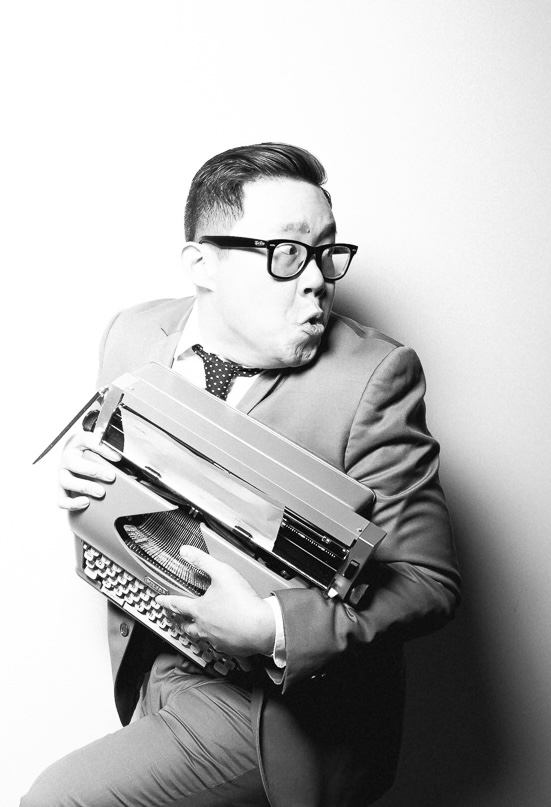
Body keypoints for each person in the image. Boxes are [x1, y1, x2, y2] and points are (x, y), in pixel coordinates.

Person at [22, 143, 460, 807]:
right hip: (150, 660)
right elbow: (128, 475)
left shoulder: (373, 377)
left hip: (273, 711)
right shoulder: (133, 336)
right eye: (285, 252)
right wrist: (86, 476)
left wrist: (270, 628)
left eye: (325, 252)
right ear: (202, 263)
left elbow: (426, 581)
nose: (315, 278)